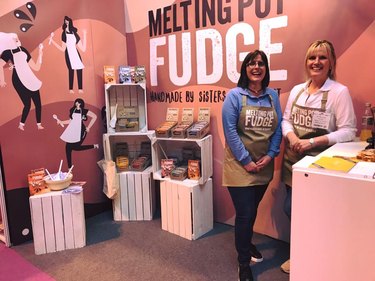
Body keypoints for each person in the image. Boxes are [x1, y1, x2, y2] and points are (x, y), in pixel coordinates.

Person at [280, 39, 357, 274]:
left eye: (322, 57)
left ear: (331, 62)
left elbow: (348, 131)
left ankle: (315, 258)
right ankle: (301, 255)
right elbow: (286, 120)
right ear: (306, 62)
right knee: (293, 210)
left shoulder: (338, 92)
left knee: (314, 214)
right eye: (312, 58)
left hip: (319, 166)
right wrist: (293, 138)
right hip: (293, 162)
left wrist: (312, 141)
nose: (316, 62)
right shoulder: (297, 91)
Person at [222, 50, 283, 281]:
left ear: (266, 69)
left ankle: (246, 243)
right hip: (240, 166)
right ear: (245, 68)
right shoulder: (234, 96)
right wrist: (246, 161)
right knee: (246, 214)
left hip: (264, 165)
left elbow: (278, 128)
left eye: (261, 63)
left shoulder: (272, 97)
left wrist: (270, 154)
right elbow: (230, 132)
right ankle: (243, 262)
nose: (256, 67)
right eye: (251, 63)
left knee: (252, 210)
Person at [0, 32, 44, 131]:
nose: (17, 40)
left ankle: (39, 124)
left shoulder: (23, 50)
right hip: (18, 80)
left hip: (30, 78)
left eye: (17, 38)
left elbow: (36, 67)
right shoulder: (7, 52)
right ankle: (21, 124)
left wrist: (40, 54)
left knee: (38, 104)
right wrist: (2, 80)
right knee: (27, 104)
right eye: (14, 39)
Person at [55, 98, 98, 168]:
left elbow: (94, 116)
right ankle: (69, 168)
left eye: (78, 103)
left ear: (81, 104)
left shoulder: (84, 111)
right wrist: (61, 122)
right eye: (76, 102)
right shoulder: (72, 110)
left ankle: (93, 146)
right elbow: (70, 121)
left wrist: (88, 127)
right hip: (73, 130)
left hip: (81, 131)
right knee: (68, 147)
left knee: (76, 147)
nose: (77, 104)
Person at [49, 16, 87, 94]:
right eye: (65, 22)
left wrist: (84, 35)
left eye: (68, 22)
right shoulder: (63, 34)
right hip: (68, 54)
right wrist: (53, 42)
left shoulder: (75, 33)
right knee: (71, 70)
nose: (66, 23)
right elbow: (62, 48)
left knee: (79, 69)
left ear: (70, 22)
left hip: (76, 53)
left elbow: (83, 48)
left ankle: (80, 88)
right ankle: (71, 89)